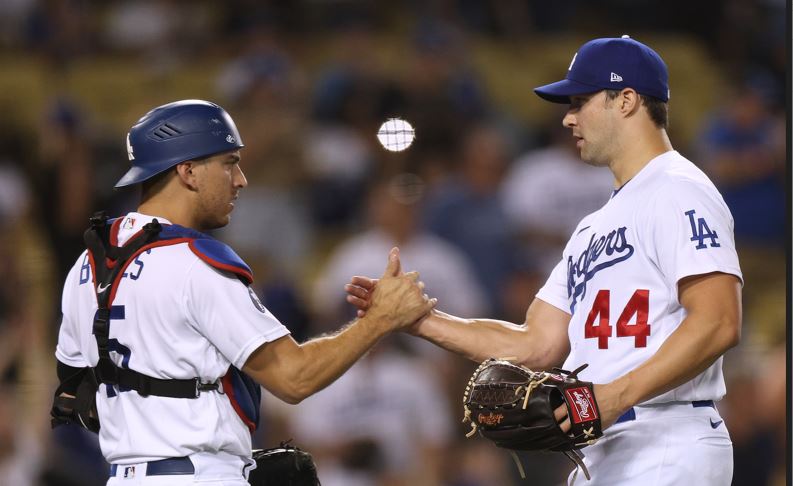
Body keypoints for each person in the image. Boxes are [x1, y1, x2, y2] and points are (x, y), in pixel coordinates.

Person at [345, 36, 743, 485]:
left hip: (667, 435)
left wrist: (611, 397)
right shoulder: (593, 227)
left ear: (627, 100)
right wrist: (418, 321)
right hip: (603, 444)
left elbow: (718, 321)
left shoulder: (679, 188)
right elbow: (536, 343)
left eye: (580, 101)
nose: (568, 117)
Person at [51, 99, 436, 486]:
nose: (241, 179)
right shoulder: (194, 265)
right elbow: (294, 378)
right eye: (229, 163)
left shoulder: (87, 266)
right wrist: (380, 320)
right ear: (188, 171)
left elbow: (74, 388)